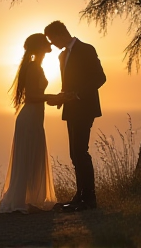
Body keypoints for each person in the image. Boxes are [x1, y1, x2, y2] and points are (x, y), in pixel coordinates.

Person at [44, 21, 106, 211]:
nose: (52, 45)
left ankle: (89, 199)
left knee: (81, 152)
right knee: (74, 153)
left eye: (52, 39)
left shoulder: (86, 49)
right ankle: (80, 196)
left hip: (85, 108)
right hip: (71, 110)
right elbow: (68, 84)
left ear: (61, 34)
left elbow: (100, 78)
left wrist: (77, 94)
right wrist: (61, 98)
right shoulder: (62, 56)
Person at [0, 33, 58, 214]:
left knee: (32, 157)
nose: (50, 44)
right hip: (30, 117)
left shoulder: (36, 66)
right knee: (27, 157)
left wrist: (54, 98)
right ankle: (20, 202)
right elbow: (32, 97)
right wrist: (53, 97)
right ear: (40, 47)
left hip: (34, 117)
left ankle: (29, 200)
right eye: (46, 42)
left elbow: (36, 96)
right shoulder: (34, 68)